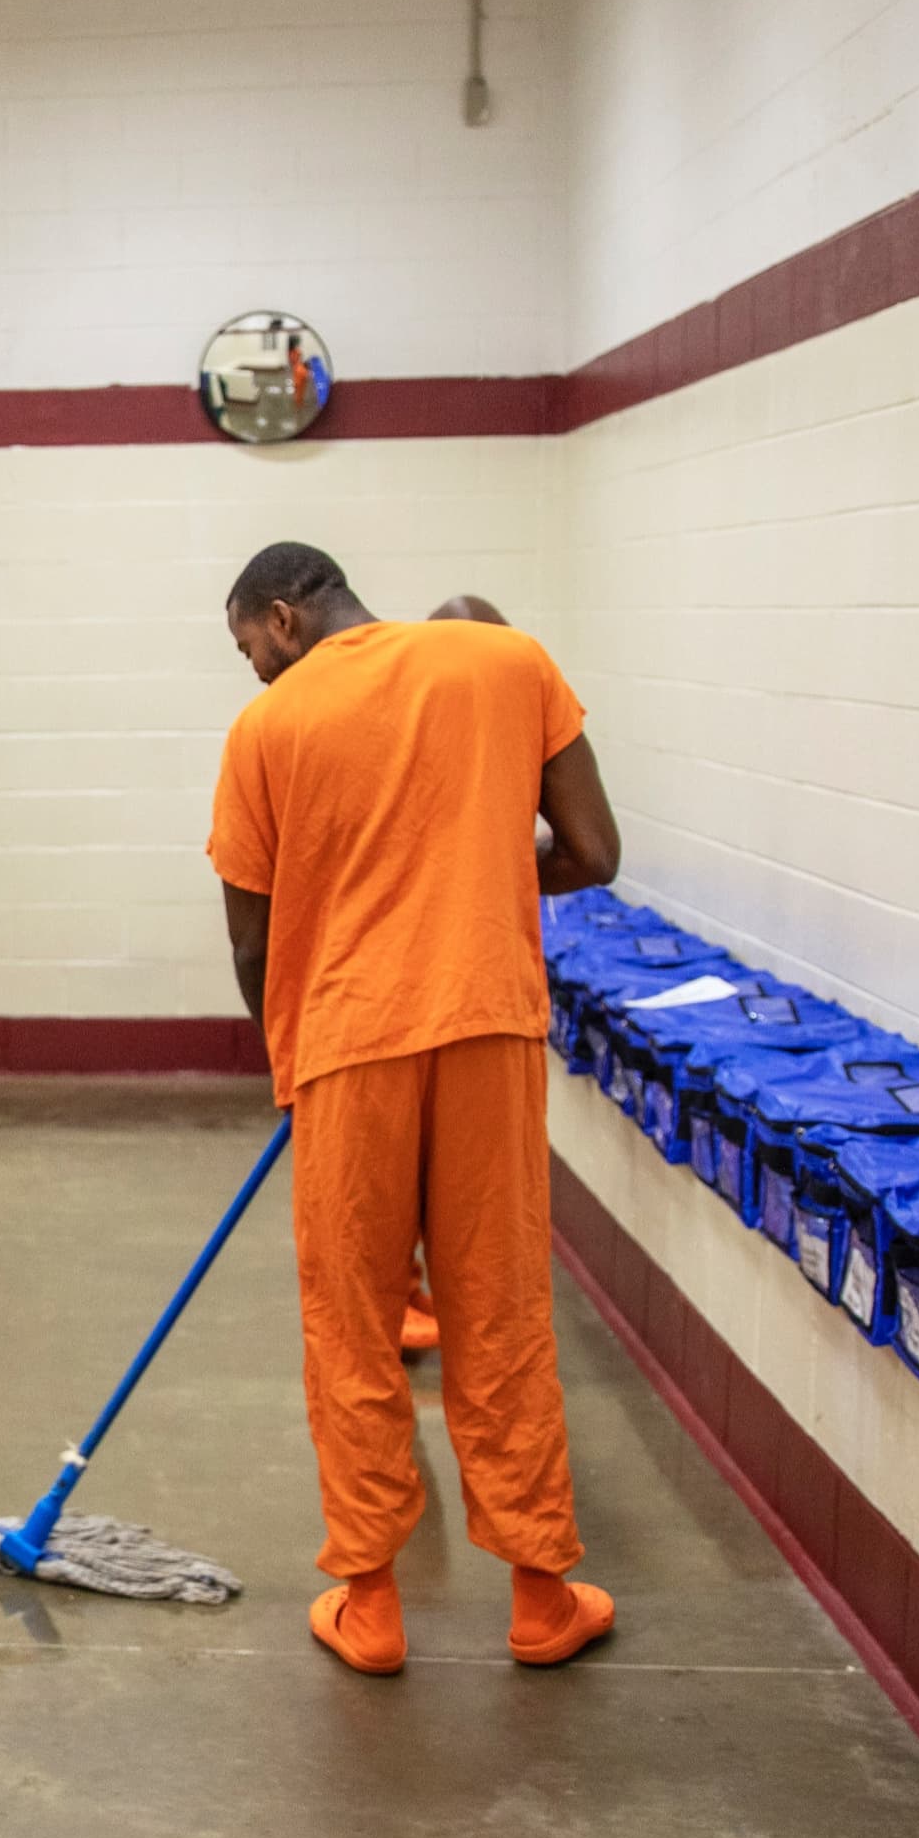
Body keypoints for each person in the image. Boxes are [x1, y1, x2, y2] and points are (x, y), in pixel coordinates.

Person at [209, 541, 623, 1677]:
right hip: (489, 1024)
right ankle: (542, 1596)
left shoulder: (267, 729)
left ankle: (372, 1600)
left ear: (282, 618)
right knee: (500, 1307)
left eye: (249, 649)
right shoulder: (506, 661)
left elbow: (250, 937)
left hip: (347, 1042)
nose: (253, 673)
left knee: (352, 1321)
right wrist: (477, 858)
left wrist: (288, 1060)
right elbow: (592, 851)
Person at [393, 590, 510, 1358]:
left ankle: (417, 1295)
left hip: (461, 1001)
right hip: (401, 1006)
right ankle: (402, 1298)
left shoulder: (494, 728)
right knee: (395, 1189)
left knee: (453, 1194)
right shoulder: (409, 735)